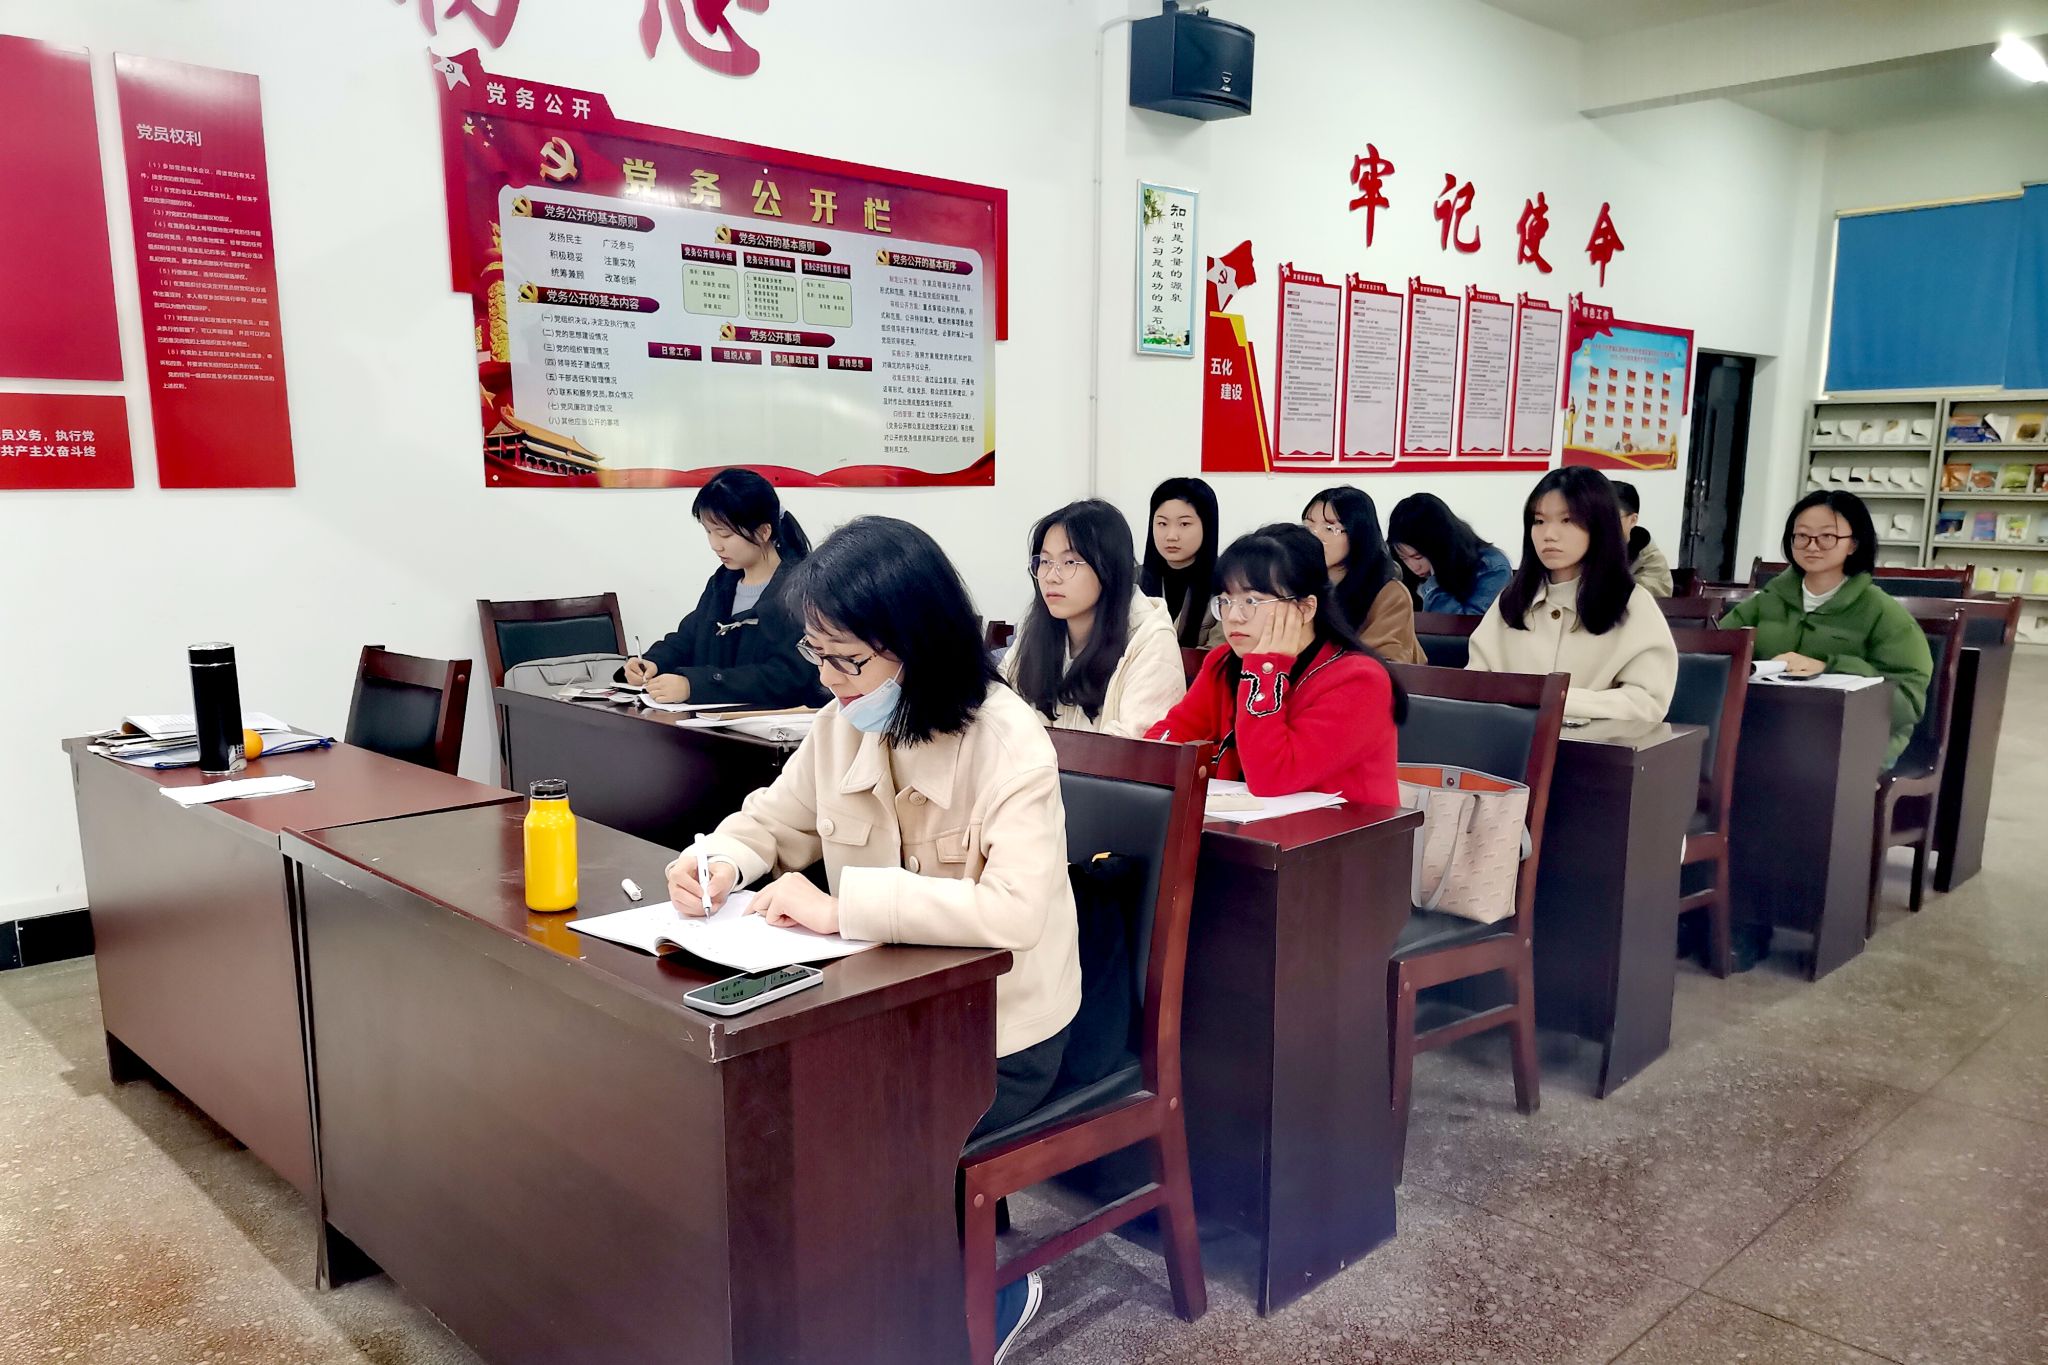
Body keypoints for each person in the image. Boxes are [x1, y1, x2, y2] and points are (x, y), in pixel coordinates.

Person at [668, 516, 1079, 1357]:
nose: (827, 680)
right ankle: (828, 1309)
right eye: (817, 653)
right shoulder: (841, 719)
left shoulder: (1009, 740)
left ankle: (977, 1304)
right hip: (884, 1010)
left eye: (846, 659)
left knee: (853, 1126)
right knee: (772, 1109)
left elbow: (1013, 911)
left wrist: (843, 905)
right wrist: (719, 861)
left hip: (1001, 1029)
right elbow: (772, 819)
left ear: (915, 644)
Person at [1147, 523, 1404, 807]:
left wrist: (1265, 669)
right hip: (1240, 826)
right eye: (1225, 600)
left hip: (1339, 831)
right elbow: (1165, 739)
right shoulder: (1223, 662)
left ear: (1305, 608)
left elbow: (1271, 778)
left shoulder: (1360, 680)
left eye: (1251, 601)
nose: (1234, 616)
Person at [1720, 490, 1932, 767]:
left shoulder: (1883, 612)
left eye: (1827, 537)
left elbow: (1909, 703)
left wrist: (1830, 667)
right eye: (1802, 536)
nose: (1812, 546)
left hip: (1853, 741)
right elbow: (1718, 648)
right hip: (1770, 728)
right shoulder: (1768, 600)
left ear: (1853, 544)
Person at [1468, 467, 1678, 722]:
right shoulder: (1512, 600)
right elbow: (1474, 684)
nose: (1549, 535)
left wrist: (1555, 699)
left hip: (1598, 746)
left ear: (1599, 526)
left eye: (1567, 520)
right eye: (1539, 521)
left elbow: (1646, 703)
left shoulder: (1632, 603)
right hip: (1506, 742)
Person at [620, 469, 829, 707]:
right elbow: (688, 638)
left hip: (771, 724)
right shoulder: (722, 584)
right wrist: (653, 662)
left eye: (725, 535)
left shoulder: (802, 591)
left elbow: (785, 676)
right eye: (709, 532)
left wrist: (694, 686)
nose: (715, 545)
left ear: (763, 532)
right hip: (710, 723)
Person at [1002, 500, 1187, 737]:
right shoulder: (1039, 630)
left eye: (1069, 562)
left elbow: (1136, 747)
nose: (1051, 577)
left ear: (1108, 567)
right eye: (1045, 561)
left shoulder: (1150, 639)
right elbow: (998, 714)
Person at [1302, 485, 1424, 664]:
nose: (1315, 537)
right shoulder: (1300, 584)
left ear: (1358, 533)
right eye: (1308, 527)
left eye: (1329, 528)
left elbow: (1384, 662)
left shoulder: (1390, 594)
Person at [1387, 492, 1514, 616]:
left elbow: (1467, 627)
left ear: (1440, 545)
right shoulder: (1399, 570)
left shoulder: (1491, 567)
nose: (1414, 567)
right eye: (1404, 558)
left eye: (1418, 557)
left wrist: (1436, 583)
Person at [1139, 476, 1225, 649]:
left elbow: (1219, 653)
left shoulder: (1226, 585)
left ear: (1207, 526)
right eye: (1162, 523)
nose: (1171, 536)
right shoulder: (1132, 580)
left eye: (1184, 524)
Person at [1612, 480, 1675, 597]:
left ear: (1632, 520)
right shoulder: (1583, 545)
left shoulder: (1649, 559)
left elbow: (1649, 600)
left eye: (1611, 517)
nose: (1601, 523)